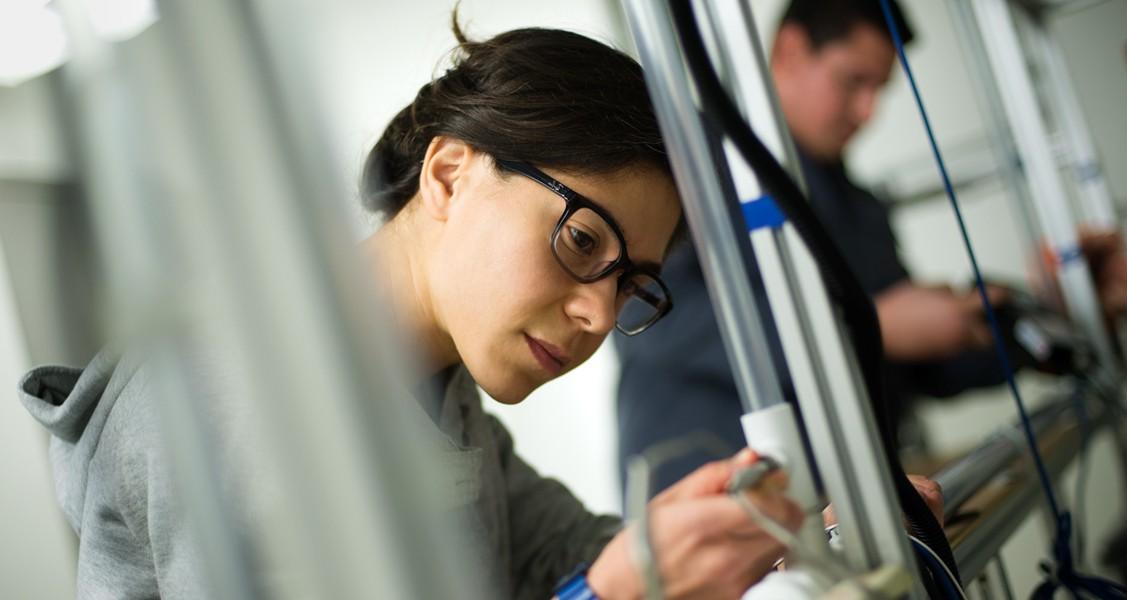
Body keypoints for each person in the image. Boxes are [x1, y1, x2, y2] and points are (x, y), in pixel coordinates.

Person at [17, 23, 825, 600]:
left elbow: (553, 555)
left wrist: (770, 544)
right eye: (582, 242)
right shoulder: (239, 398)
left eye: (630, 285)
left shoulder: (431, 387)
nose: (596, 315)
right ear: (448, 175)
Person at [615, 0, 1127, 494]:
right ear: (789, 52)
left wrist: (1056, 309)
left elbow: (919, 361)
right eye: (853, 82)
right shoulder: (685, 165)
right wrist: (869, 324)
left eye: (880, 89)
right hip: (709, 505)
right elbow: (652, 318)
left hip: (846, 517)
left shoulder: (859, 208)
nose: (868, 111)